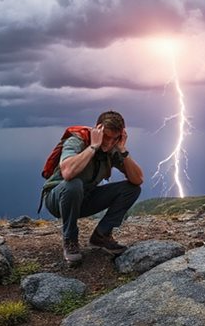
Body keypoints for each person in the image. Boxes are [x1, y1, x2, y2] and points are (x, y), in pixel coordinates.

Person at [41, 110, 144, 263]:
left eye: (115, 139)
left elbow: (138, 179)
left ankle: (101, 236)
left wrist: (123, 151)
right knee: (74, 184)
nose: (109, 143)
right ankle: (70, 240)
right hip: (57, 198)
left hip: (84, 198)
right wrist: (93, 147)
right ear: (98, 130)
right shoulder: (77, 141)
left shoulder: (113, 149)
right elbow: (68, 173)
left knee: (131, 189)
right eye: (106, 137)